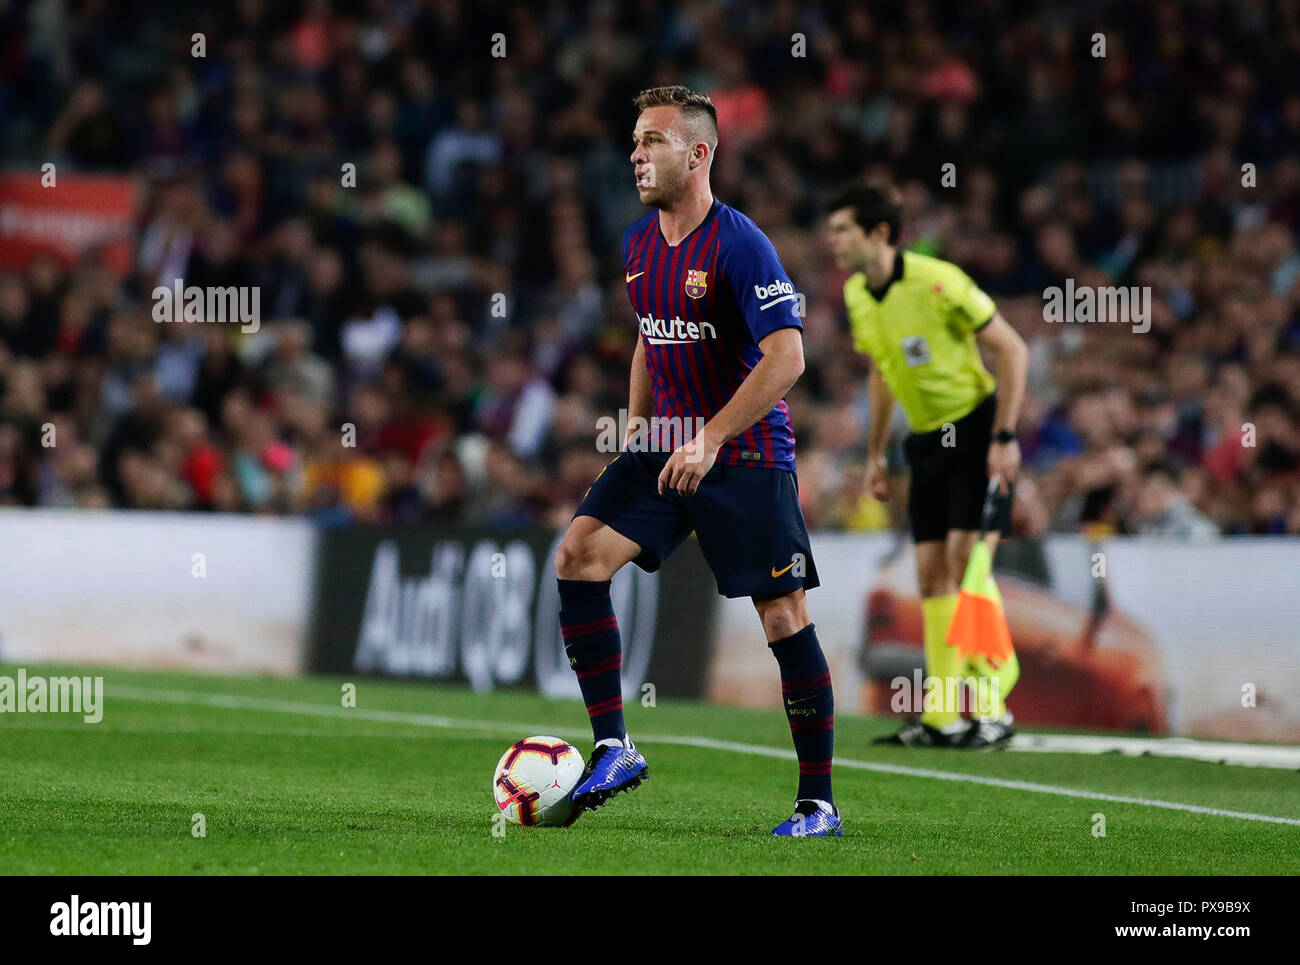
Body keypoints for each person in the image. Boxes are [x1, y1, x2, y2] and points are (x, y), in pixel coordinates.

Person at [553, 86, 840, 836]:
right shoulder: (637, 244)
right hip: (666, 448)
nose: (635, 155)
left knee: (782, 615)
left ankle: (818, 803)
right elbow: (652, 337)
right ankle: (614, 744)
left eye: (651, 141)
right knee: (578, 553)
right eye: (635, 141)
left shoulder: (741, 244)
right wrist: (640, 433)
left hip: (742, 453)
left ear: (698, 153)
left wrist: (709, 437)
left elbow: (788, 357)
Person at [827, 180, 1029, 749]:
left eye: (843, 229)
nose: (833, 242)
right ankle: (944, 716)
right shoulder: (858, 297)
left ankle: (993, 707)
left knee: (968, 565)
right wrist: (873, 454)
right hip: (924, 443)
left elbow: (1013, 350)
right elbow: (882, 371)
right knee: (930, 575)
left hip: (976, 430)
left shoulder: (938, 281)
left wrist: (1006, 436)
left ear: (879, 233)